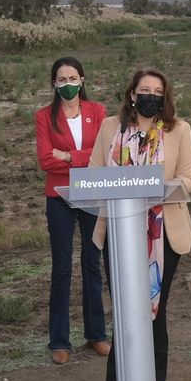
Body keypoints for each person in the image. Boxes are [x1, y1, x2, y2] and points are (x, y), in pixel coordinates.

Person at [90, 68, 191, 381]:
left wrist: (157, 190)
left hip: (162, 230)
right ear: (132, 95)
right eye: (143, 89)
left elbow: (188, 179)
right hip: (120, 229)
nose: (150, 95)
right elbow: (92, 174)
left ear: (164, 97)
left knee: (155, 305)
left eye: (157, 90)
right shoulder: (110, 128)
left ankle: (156, 380)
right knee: (126, 308)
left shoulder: (179, 130)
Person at [34, 56, 110, 364]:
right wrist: (80, 159)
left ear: (83, 80)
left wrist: (68, 156)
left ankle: (97, 335)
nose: (68, 84)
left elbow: (104, 154)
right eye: (62, 79)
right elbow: (44, 160)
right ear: (54, 83)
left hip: (92, 195)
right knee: (62, 269)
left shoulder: (98, 112)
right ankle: (59, 342)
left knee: (93, 264)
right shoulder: (43, 117)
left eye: (73, 78)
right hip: (59, 199)